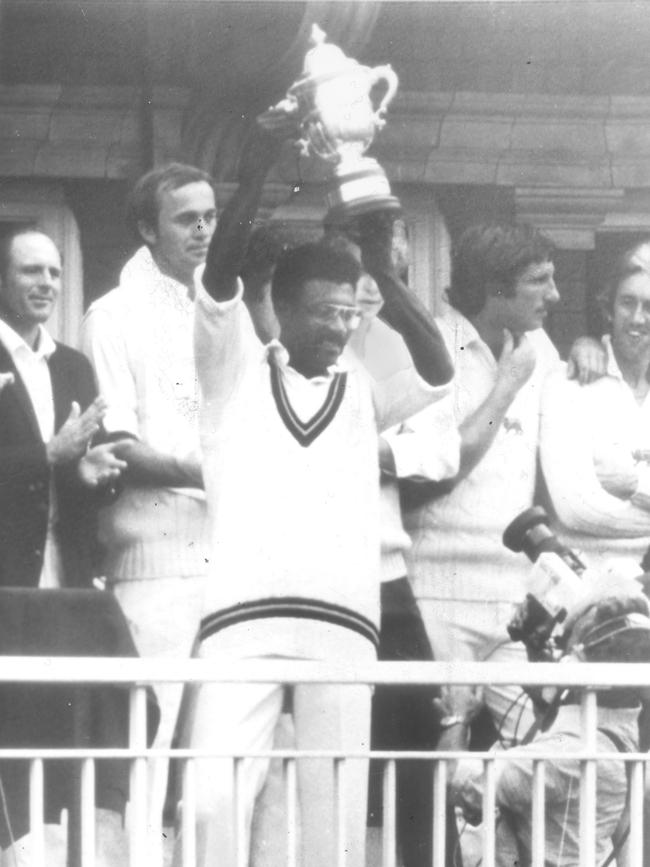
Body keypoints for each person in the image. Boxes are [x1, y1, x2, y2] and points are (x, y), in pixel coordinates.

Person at [170, 112, 453, 867]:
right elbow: (221, 277)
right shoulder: (233, 369)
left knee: (332, 832)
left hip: (342, 629)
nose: (337, 326)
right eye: (323, 312)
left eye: (346, 313)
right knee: (210, 806)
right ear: (285, 309)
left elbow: (439, 368)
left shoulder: (363, 388)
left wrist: (382, 273)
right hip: (241, 627)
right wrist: (261, 163)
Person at [80, 163, 217, 863]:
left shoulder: (220, 314)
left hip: (222, 562)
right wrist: (209, 471)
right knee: (150, 751)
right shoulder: (112, 314)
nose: (202, 230)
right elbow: (120, 443)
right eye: (185, 218)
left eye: (209, 217)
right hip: (152, 564)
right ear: (146, 227)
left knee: (213, 762)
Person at [402, 222, 561, 748]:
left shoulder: (540, 347)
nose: (554, 295)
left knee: (548, 754)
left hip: (513, 592)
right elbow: (447, 464)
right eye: (539, 281)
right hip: (439, 588)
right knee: (446, 758)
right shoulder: (430, 347)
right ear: (495, 288)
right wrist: (509, 385)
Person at [0, 227, 128, 866]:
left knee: (59, 732)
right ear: (3, 280)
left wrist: (84, 476)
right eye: (30, 272)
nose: (46, 284)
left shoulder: (73, 366)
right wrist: (46, 457)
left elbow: (79, 484)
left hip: (65, 583)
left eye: (53, 272)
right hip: (4, 585)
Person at [452, 575, 647, 867]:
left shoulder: (565, 755)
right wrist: (543, 677)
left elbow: (455, 783)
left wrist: (455, 719)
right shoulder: (618, 731)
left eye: (571, 653)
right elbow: (560, 728)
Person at [540, 239, 650, 580]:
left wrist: (625, 485)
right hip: (587, 584)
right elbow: (577, 507)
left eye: (649, 306)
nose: (637, 318)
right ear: (608, 308)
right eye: (627, 303)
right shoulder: (569, 383)